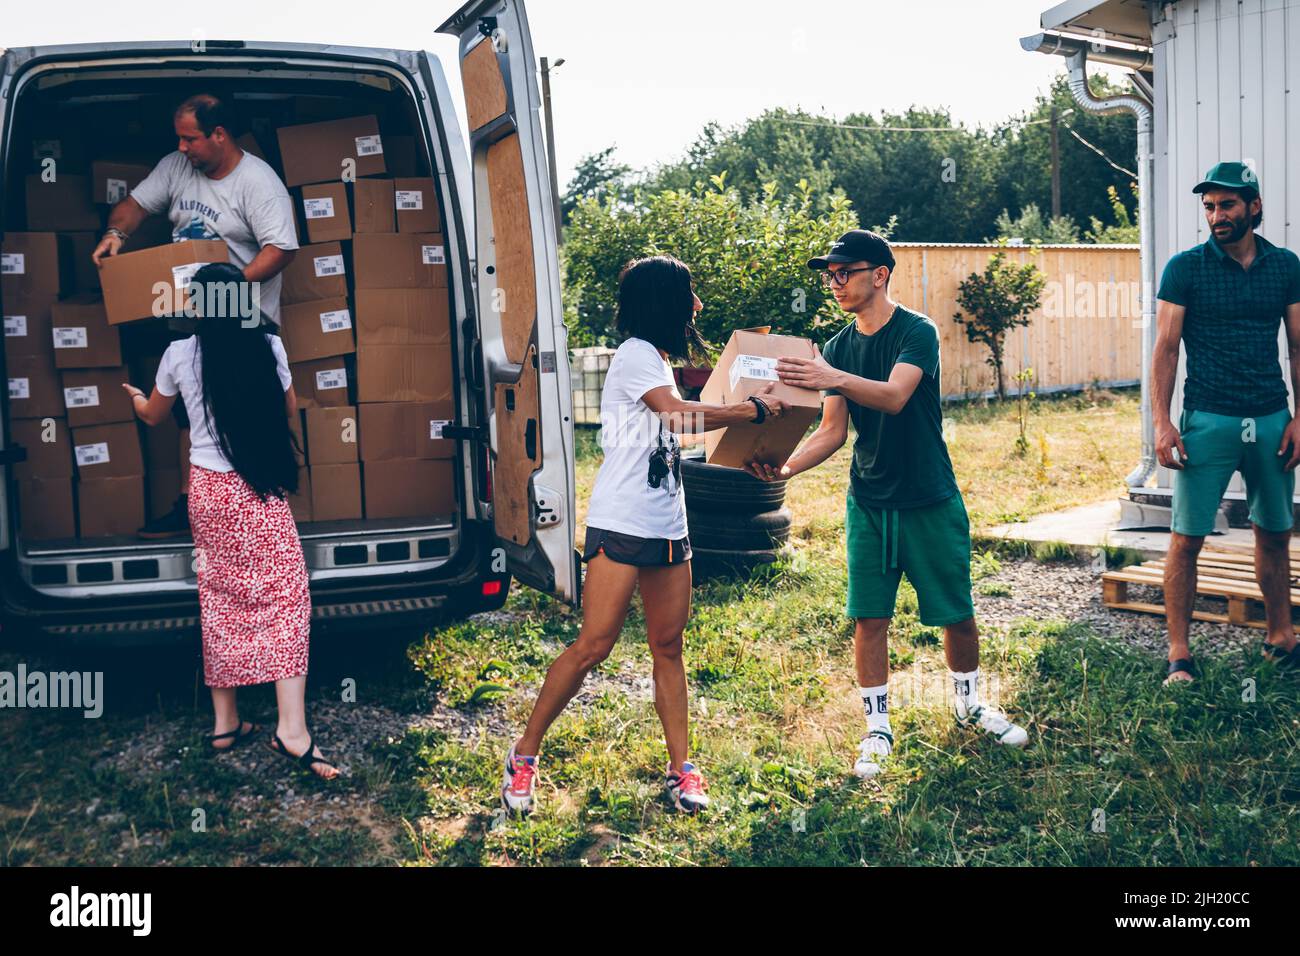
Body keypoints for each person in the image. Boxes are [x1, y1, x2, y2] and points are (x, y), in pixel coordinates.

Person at [500, 255, 790, 815]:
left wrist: (753, 447)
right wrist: (753, 411)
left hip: (667, 524)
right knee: (594, 646)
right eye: (690, 295)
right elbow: (679, 418)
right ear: (664, 302)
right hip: (623, 521)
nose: (698, 307)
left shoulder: (655, 360)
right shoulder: (635, 356)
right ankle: (524, 754)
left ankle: (682, 770)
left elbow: (675, 430)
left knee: (667, 646)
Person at [747, 229, 1028, 780]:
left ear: (879, 274)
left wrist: (832, 377)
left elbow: (896, 397)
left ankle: (969, 705)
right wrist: (784, 469)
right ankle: (877, 727)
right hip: (869, 503)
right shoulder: (836, 346)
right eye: (828, 274)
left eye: (844, 272)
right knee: (869, 618)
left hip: (929, 497)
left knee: (957, 612)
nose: (834, 283)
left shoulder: (915, 332)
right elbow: (832, 432)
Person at [123, 263, 338, 780]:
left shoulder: (178, 354)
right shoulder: (268, 347)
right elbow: (288, 407)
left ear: (199, 305)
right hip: (255, 486)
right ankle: (291, 729)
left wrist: (133, 397)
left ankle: (226, 723)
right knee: (284, 594)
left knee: (219, 593)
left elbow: (154, 416)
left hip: (207, 492)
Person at [93, 92, 299, 539]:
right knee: (190, 413)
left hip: (245, 318)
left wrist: (225, 291)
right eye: (180, 139)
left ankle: (259, 503)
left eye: (191, 139)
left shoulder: (258, 184)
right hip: (189, 315)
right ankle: (193, 507)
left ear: (219, 135)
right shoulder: (176, 167)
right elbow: (134, 206)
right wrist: (115, 233)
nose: (182, 148)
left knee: (246, 410)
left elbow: (281, 249)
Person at [1153, 162, 1300, 684]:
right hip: (1208, 419)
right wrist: (1162, 423)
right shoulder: (1185, 268)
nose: (1217, 215)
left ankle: (1281, 639)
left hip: (1270, 416)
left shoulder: (1285, 267)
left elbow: (1298, 347)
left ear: (1254, 207)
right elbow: (1167, 348)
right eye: (1210, 206)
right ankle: (1179, 655)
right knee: (1186, 538)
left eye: (1228, 205)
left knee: (1275, 533)